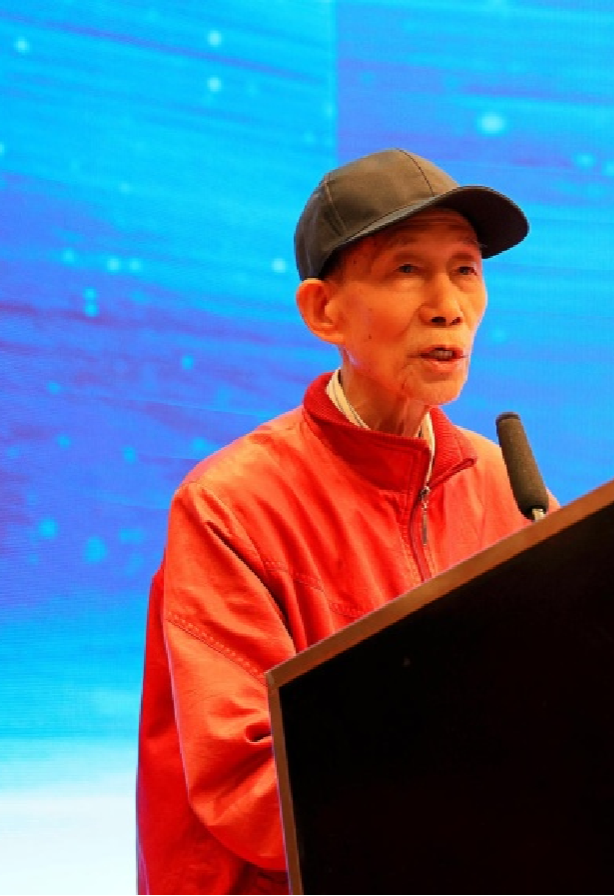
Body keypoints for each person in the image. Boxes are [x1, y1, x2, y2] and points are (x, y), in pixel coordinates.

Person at [135, 147, 554, 894]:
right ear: (323, 311)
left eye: (465, 268)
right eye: (406, 270)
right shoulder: (231, 505)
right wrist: (472, 794)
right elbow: (248, 785)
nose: (448, 305)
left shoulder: (502, 484)